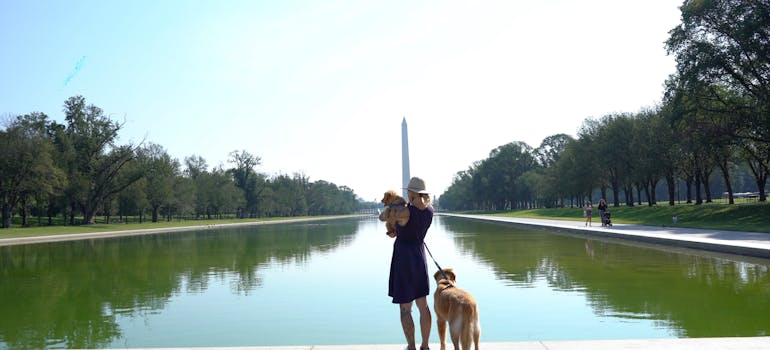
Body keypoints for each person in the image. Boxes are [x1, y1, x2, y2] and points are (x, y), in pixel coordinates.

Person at [388, 176, 434, 350]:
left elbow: (387, 218)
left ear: (411, 193)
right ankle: (426, 345)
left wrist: (394, 228)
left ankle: (411, 346)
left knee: (405, 308)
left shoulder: (406, 212)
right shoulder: (430, 210)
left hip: (403, 259)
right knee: (423, 305)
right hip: (419, 257)